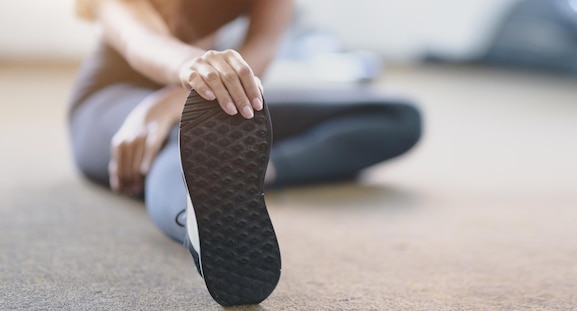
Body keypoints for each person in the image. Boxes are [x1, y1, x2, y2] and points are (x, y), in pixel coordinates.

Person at [69, 0, 422, 306]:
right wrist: (184, 78)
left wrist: (176, 101)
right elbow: (139, 40)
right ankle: (199, 224)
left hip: (204, 95)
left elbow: (261, 51)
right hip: (117, 101)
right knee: (182, 147)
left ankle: (259, 170)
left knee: (399, 116)